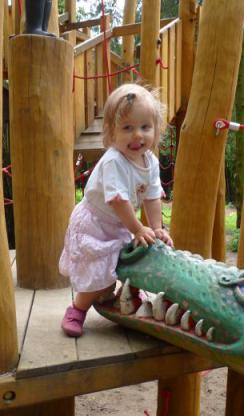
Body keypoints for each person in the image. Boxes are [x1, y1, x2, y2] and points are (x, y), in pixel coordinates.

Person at [59, 83, 174, 338]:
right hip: (96, 223)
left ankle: (126, 294)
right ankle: (77, 309)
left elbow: (152, 197)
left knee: (131, 258)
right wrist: (138, 228)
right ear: (112, 132)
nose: (137, 135)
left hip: (120, 222)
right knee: (99, 274)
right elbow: (118, 201)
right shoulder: (113, 161)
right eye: (127, 128)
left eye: (145, 127)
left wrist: (157, 228)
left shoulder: (151, 162)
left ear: (156, 129)